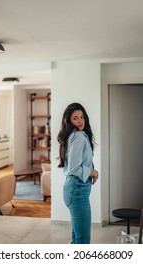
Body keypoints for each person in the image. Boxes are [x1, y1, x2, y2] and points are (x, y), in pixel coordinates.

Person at [57, 102, 99, 244]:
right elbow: (74, 168)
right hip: (77, 190)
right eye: (75, 118)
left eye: (82, 117)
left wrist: (91, 172)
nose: (80, 121)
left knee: (77, 238)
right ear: (68, 120)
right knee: (83, 241)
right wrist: (92, 172)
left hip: (74, 189)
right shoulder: (79, 136)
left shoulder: (73, 136)